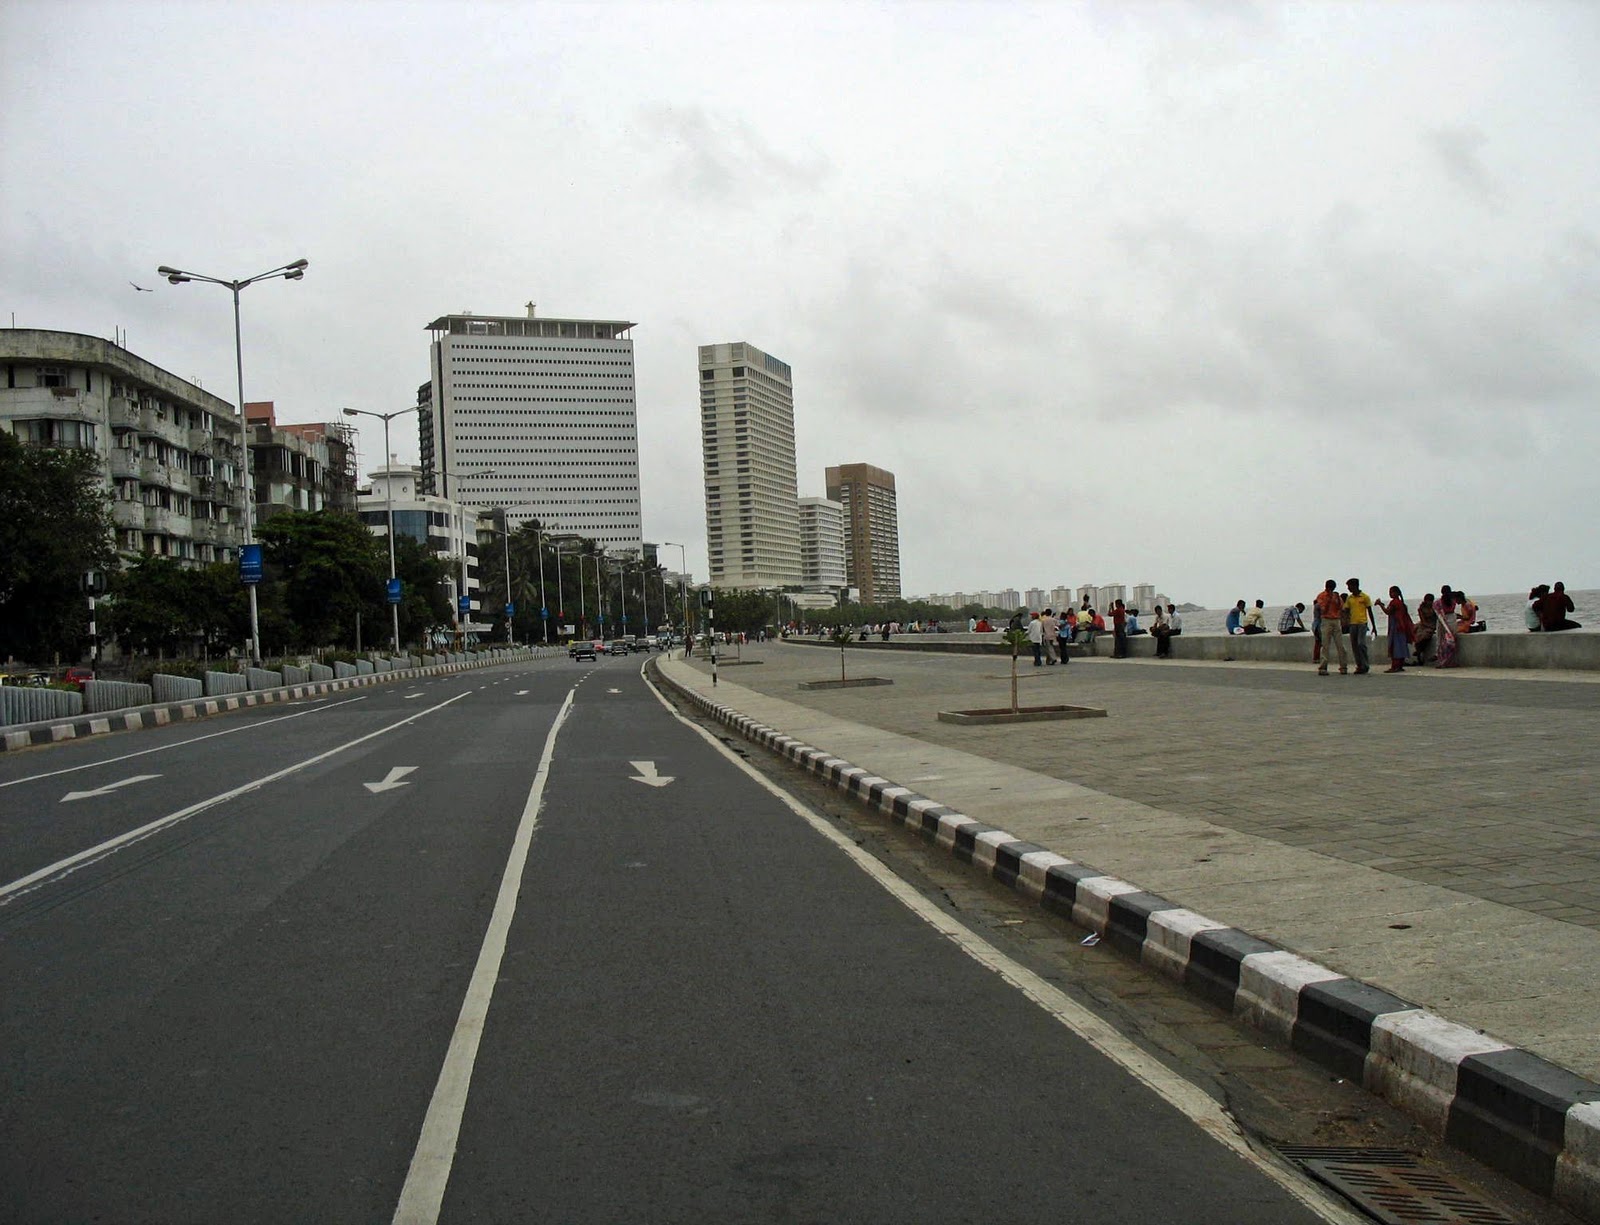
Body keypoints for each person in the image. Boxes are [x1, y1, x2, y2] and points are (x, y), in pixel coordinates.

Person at [1313, 580, 1349, 675]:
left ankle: (1343, 666)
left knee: (1340, 645)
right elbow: (1323, 610)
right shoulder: (1321, 596)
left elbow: (1341, 608)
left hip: (1336, 620)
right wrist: (1328, 599)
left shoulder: (1337, 596)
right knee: (1325, 645)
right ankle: (1323, 667)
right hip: (1326, 620)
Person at [1344, 578, 1376, 674]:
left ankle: (1365, 665)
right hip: (1353, 624)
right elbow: (1346, 610)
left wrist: (1374, 626)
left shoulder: (1365, 597)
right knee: (1354, 646)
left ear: (1355, 586)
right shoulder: (1349, 598)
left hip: (1362, 623)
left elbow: (1370, 611)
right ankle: (1359, 665)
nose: (1349, 588)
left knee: (1361, 644)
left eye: (1350, 586)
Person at [1380, 586, 1414, 672]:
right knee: (1401, 645)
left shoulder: (1394, 602)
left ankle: (1395, 666)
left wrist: (1380, 605)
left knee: (1395, 646)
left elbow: (1388, 612)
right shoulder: (1401, 603)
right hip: (1401, 626)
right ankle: (1399, 665)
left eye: (1391, 592)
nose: (1390, 594)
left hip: (1396, 626)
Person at [1433, 585, 1461, 668]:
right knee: (1451, 641)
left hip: (1442, 620)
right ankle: (1450, 661)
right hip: (1452, 620)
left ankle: (1442, 661)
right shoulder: (1453, 600)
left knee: (1441, 641)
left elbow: (1436, 611)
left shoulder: (1438, 602)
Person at [1412, 594, 1437, 665]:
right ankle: (1418, 654)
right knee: (1417, 633)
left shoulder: (1434, 608)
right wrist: (1426, 625)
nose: (1430, 602)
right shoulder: (1421, 608)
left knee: (1426, 634)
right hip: (1424, 624)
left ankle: (1419, 651)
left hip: (1432, 624)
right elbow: (1422, 620)